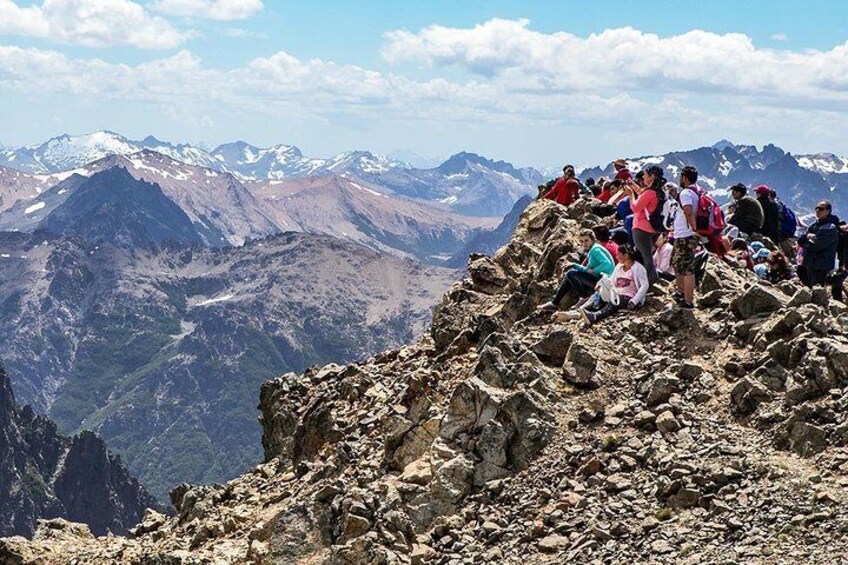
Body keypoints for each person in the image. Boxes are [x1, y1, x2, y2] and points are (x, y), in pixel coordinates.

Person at [537, 229, 615, 311]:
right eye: (581, 241)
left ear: (593, 239)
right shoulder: (593, 249)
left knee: (571, 273)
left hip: (604, 281)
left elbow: (607, 264)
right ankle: (554, 303)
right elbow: (587, 270)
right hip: (601, 278)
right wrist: (574, 265)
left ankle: (584, 297)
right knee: (570, 274)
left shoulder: (595, 250)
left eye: (586, 240)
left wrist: (594, 271)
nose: (584, 243)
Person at [580, 245, 649, 325]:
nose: (616, 257)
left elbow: (644, 286)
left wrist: (634, 301)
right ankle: (584, 309)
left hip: (628, 297)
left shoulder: (639, 268)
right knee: (598, 294)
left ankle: (596, 316)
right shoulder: (619, 266)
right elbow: (611, 280)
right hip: (616, 292)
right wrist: (601, 285)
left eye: (618, 254)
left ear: (626, 255)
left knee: (615, 301)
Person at [625, 164, 665, 284]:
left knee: (646, 257)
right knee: (647, 255)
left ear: (652, 177)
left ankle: (650, 281)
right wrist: (634, 187)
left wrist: (631, 195)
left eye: (646, 175)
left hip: (641, 228)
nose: (643, 177)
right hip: (653, 228)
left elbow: (636, 208)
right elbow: (644, 196)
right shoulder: (657, 192)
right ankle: (649, 279)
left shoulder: (649, 193)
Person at [671, 166, 702, 309]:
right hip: (683, 234)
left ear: (684, 177)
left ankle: (688, 301)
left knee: (687, 268)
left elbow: (688, 212)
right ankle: (680, 292)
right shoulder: (697, 191)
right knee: (678, 264)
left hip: (686, 235)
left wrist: (694, 228)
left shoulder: (685, 193)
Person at [798, 200, 840, 295]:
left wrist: (806, 242)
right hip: (810, 263)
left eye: (821, 209)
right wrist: (807, 238)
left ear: (828, 211)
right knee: (810, 289)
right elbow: (800, 241)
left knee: (817, 291)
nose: (817, 210)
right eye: (816, 208)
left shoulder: (830, 228)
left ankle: (819, 308)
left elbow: (815, 246)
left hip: (820, 265)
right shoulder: (814, 225)